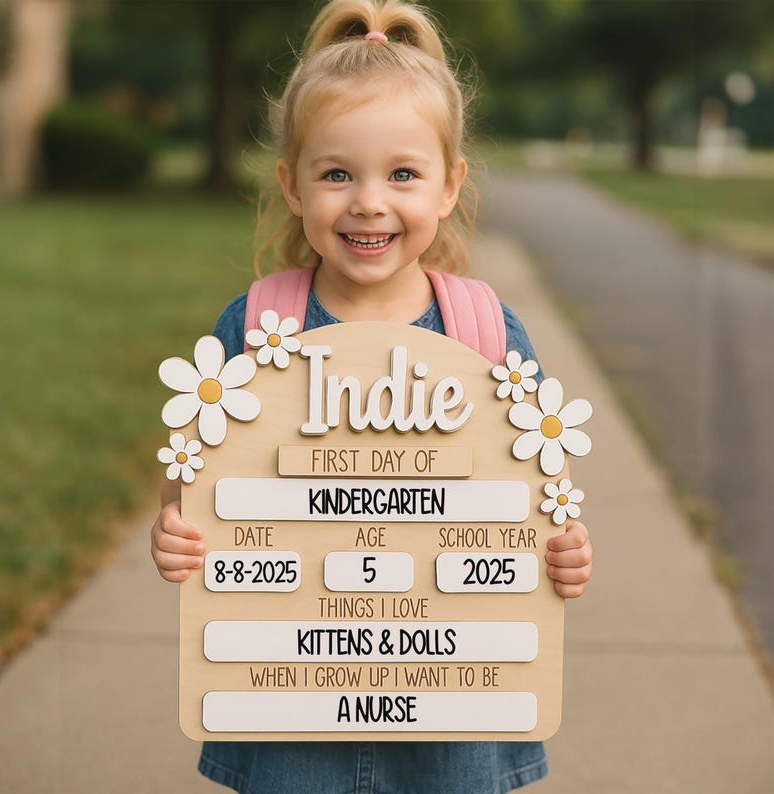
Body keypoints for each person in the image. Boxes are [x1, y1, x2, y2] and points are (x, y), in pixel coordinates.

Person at [151, 1, 593, 792]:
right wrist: (176, 529)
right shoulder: (256, 327)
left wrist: (564, 550)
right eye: (336, 174)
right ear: (291, 186)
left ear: (449, 185)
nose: (368, 202)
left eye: (402, 174)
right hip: (294, 700)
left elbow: (538, 499)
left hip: (450, 703)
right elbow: (198, 483)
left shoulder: (484, 332)